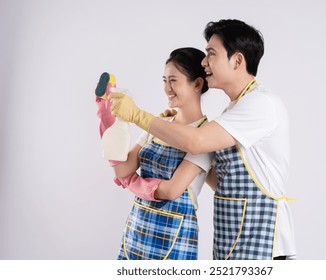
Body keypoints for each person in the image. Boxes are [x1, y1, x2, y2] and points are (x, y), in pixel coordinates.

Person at [109, 19, 297, 260]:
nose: (203, 62)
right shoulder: (233, 111)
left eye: (211, 54)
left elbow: (196, 142)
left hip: (263, 239)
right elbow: (221, 179)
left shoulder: (261, 104)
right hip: (233, 238)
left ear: (237, 60)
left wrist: (137, 116)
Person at [96, 47, 213, 260]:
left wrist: (131, 183)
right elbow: (123, 169)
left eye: (173, 81)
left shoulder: (204, 136)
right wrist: (109, 119)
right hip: (137, 231)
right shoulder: (161, 124)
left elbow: (170, 191)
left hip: (174, 239)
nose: (167, 88)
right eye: (164, 80)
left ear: (197, 83)